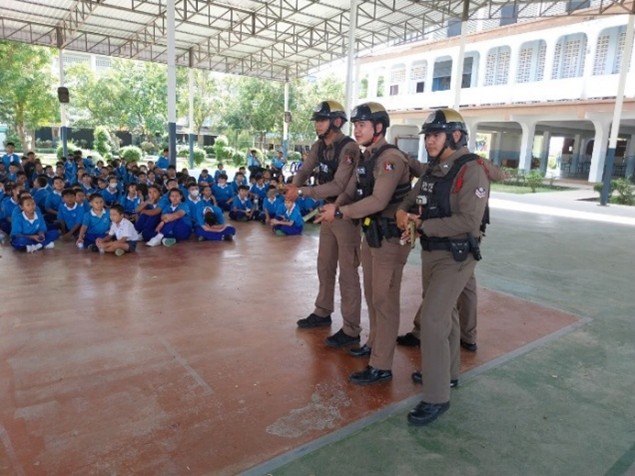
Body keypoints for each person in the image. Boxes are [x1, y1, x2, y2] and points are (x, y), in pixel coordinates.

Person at [395, 108, 489, 426]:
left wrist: (422, 225)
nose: (429, 141)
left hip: (457, 255)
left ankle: (437, 397)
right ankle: (448, 374)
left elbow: (469, 221)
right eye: (428, 136)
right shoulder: (434, 169)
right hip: (432, 252)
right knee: (445, 315)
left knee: (433, 320)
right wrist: (402, 213)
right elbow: (411, 198)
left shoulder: (472, 170)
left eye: (435, 135)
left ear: (455, 136)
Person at [319, 102, 411, 385]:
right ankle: (373, 344)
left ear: (379, 127)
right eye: (355, 125)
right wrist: (336, 206)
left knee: (385, 301)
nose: (356, 130)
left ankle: (381, 365)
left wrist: (341, 212)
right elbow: (351, 189)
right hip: (373, 235)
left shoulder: (389, 159)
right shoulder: (367, 155)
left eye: (362, 125)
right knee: (373, 296)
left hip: (390, 239)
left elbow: (378, 200)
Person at [284, 100, 363, 348]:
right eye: (317, 121)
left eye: (322, 120)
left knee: (348, 274)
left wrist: (301, 192)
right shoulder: (319, 146)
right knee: (325, 265)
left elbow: (339, 185)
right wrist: (294, 186)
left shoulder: (349, 148)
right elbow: (306, 169)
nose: (317, 125)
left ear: (337, 122)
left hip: (345, 214)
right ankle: (322, 311)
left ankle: (351, 329)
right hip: (327, 211)